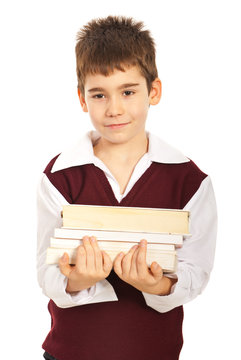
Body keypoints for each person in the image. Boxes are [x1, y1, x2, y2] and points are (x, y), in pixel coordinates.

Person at [37, 15, 217, 360]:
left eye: (128, 91)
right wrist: (78, 280)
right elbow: (46, 273)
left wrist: (158, 285)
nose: (115, 109)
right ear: (82, 99)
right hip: (69, 354)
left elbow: (196, 272)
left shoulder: (189, 181)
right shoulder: (60, 177)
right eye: (99, 94)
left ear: (154, 91)